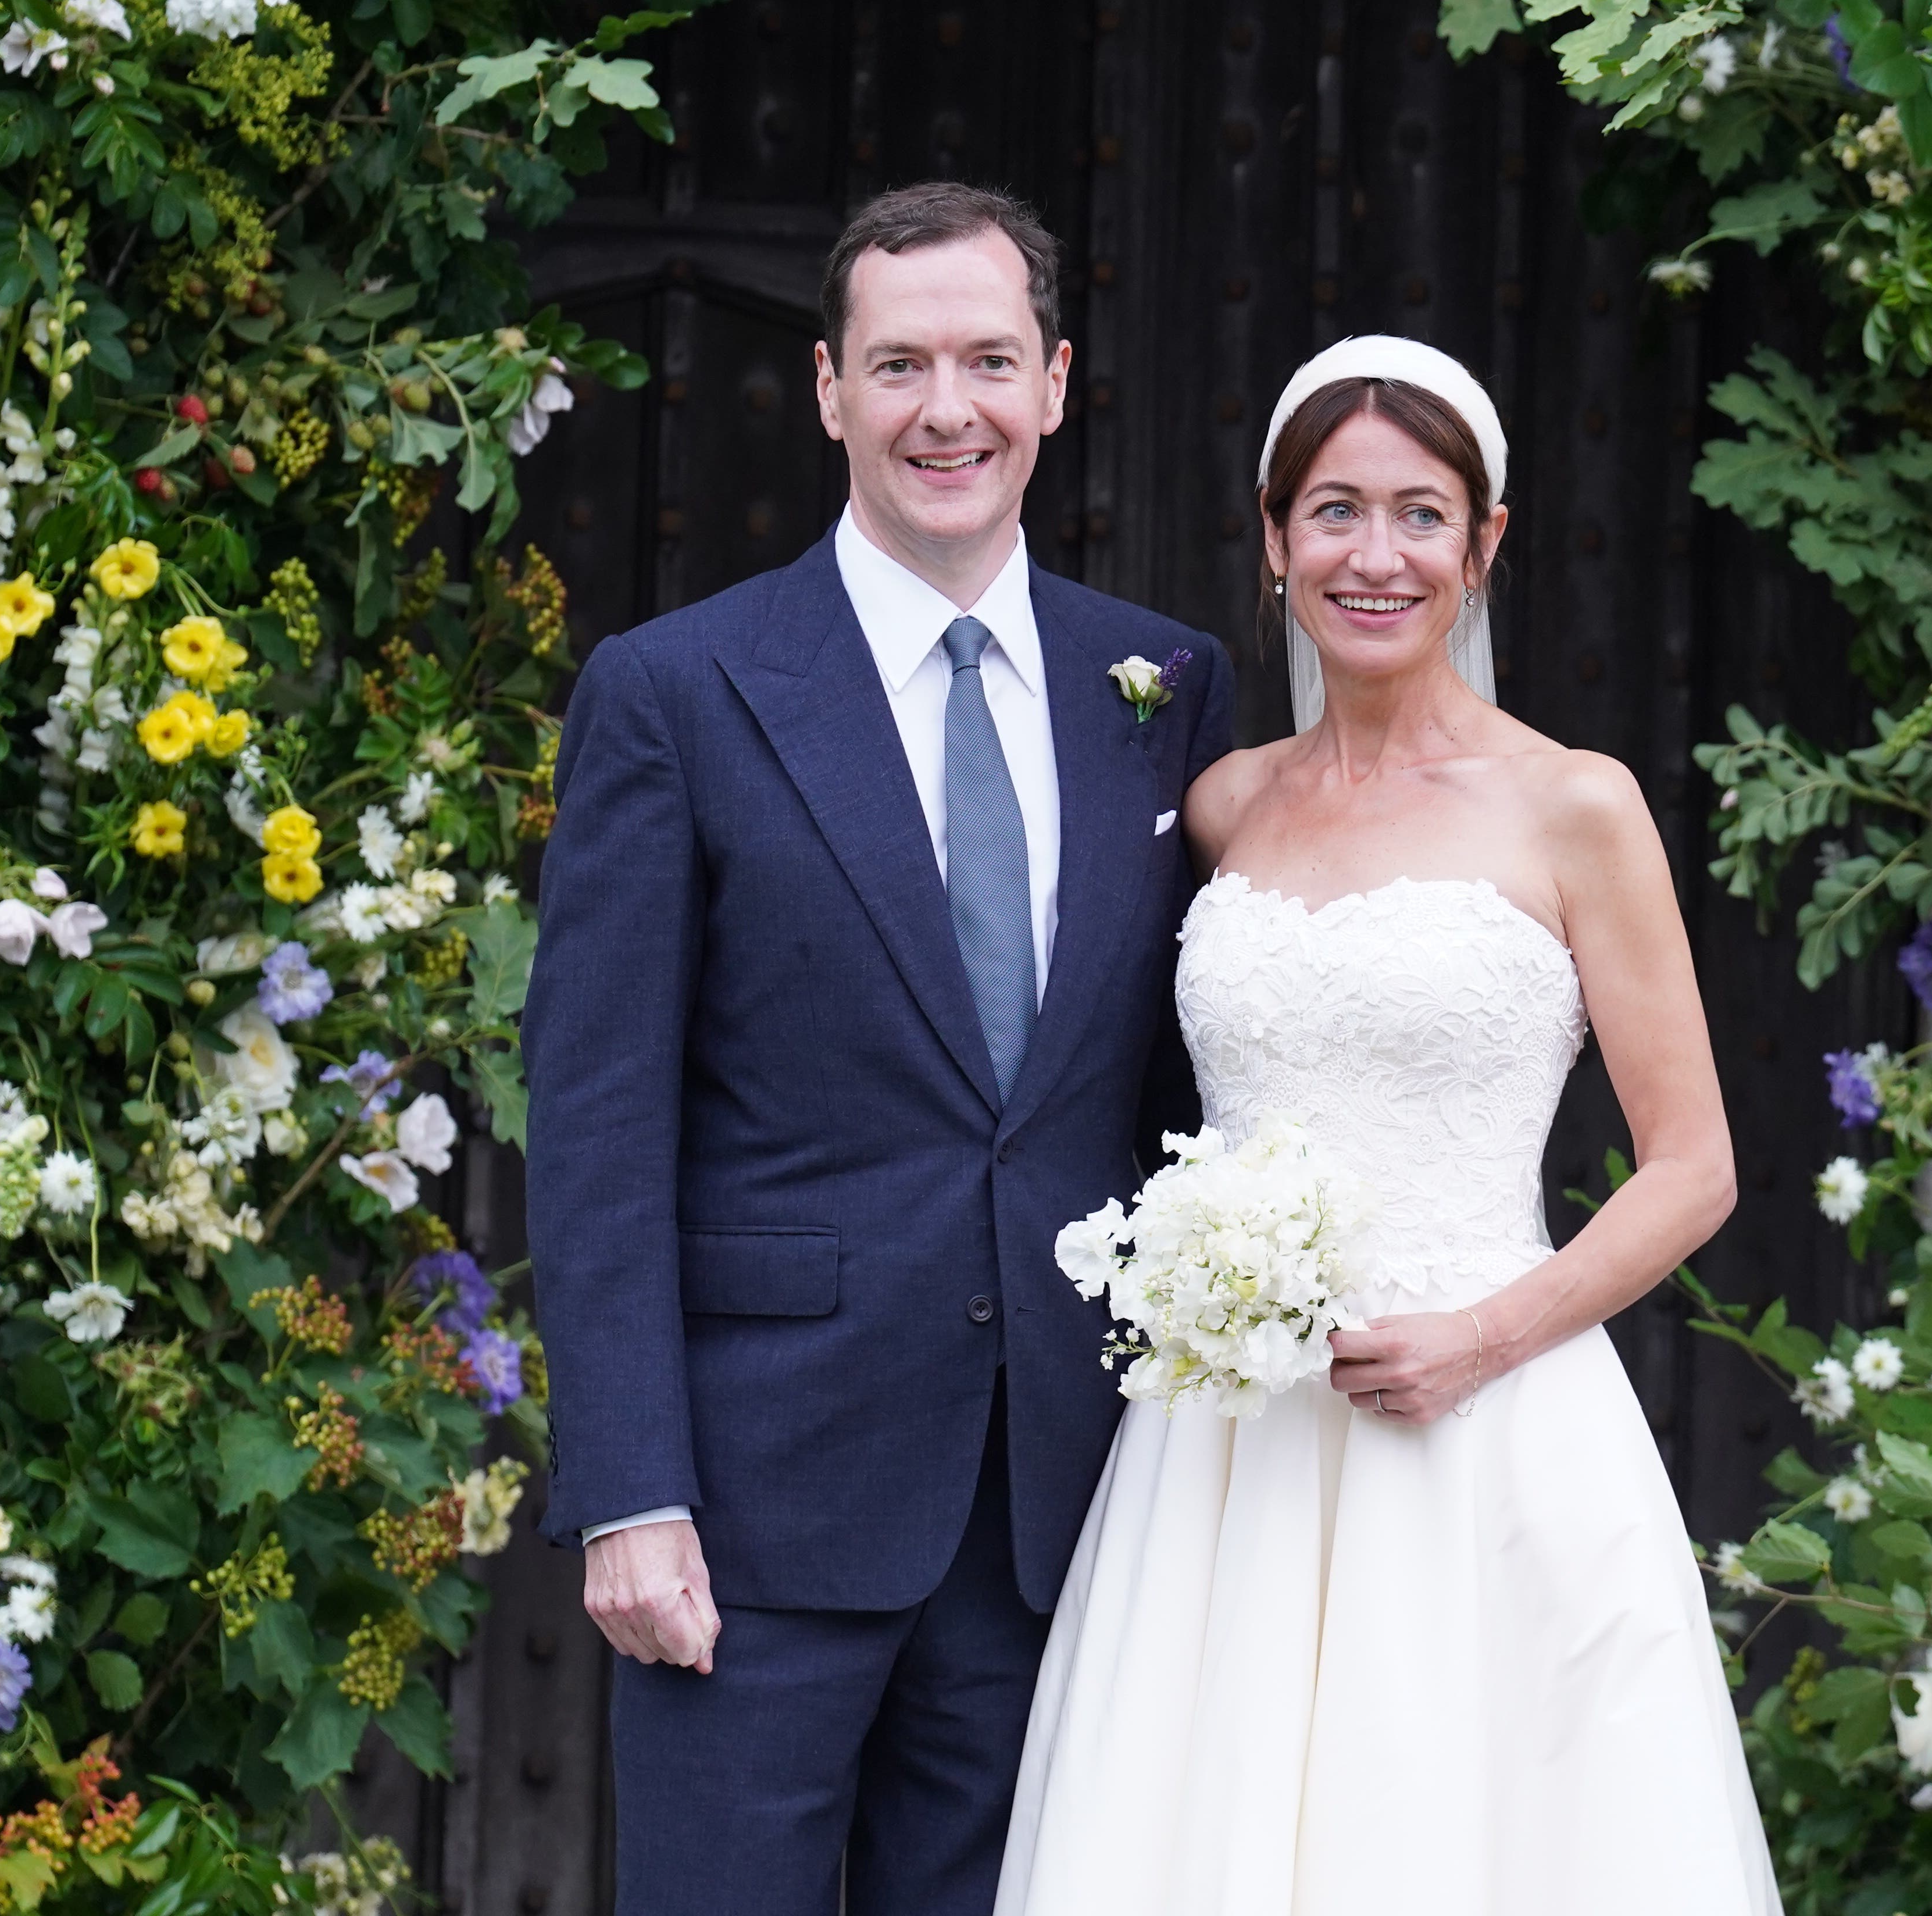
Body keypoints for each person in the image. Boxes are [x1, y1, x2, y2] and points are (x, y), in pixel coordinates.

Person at [995, 337, 1782, 1914]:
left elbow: (1695, 1168)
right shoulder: (1224, 805)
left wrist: (1484, 1338)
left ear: (1486, 545)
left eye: (1422, 515)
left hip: (1481, 1426)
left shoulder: (1576, 808)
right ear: (1276, 541)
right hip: (1225, 1453)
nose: (1377, 555)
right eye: (1336, 512)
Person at [520, 181, 1234, 1916]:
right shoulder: (678, 691)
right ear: (831, 391)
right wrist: (629, 1491)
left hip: (1051, 1516)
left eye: (990, 360)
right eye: (898, 363)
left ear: (1055, 384)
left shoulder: (1162, 686)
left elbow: (1177, 1101)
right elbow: (599, 1117)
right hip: (751, 1520)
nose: (948, 408)